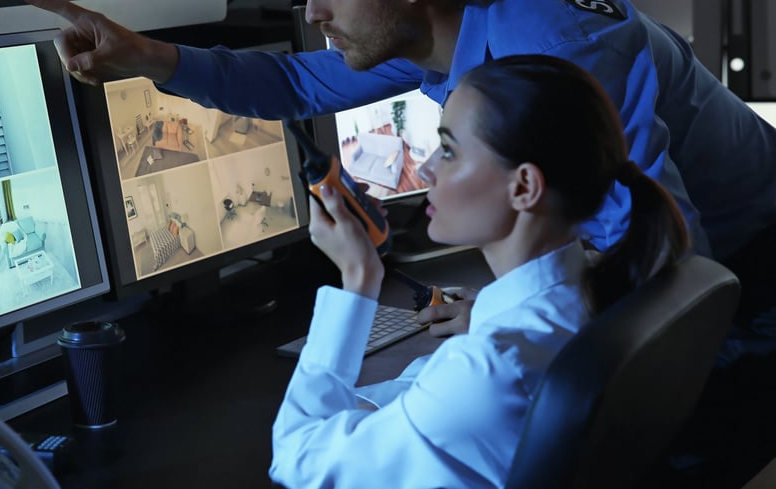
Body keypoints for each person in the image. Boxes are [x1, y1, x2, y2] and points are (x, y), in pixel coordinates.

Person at [25, 0, 776, 485]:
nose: (314, 8)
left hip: (754, 271)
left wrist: (502, 323)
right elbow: (296, 85)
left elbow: (672, 274)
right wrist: (143, 57)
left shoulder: (556, 55)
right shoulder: (445, 22)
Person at [268, 53, 688, 488]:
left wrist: (359, 280)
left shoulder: (488, 368)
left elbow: (297, 458)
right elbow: (436, 397)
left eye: (447, 150)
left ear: (523, 186)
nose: (427, 168)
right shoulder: (588, 293)